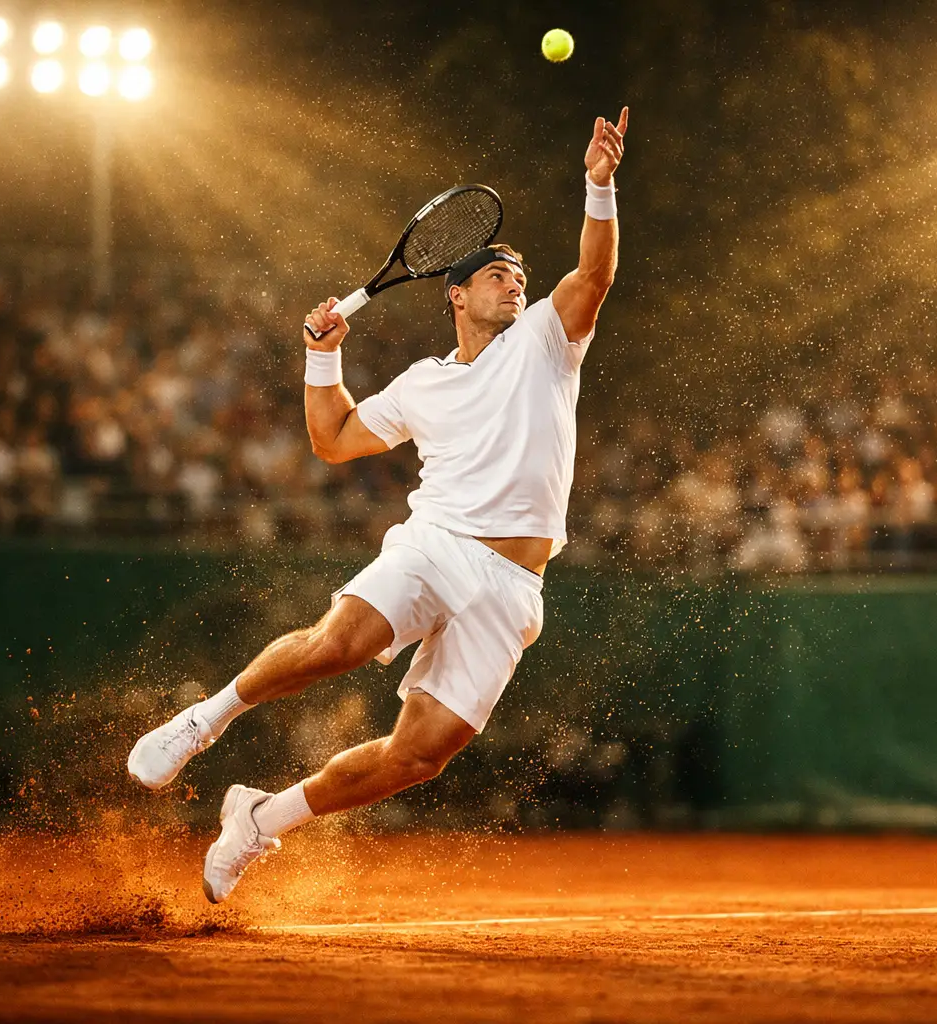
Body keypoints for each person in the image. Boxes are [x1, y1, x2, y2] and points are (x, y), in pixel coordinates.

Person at [126, 107, 629, 903]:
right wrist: (321, 357)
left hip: (514, 587)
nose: (516, 286)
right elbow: (333, 439)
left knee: (418, 756)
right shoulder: (422, 383)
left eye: (521, 280)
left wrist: (599, 186)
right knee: (341, 643)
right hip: (438, 544)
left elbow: (593, 276)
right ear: (456, 295)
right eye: (498, 276)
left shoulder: (545, 340)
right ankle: (205, 719)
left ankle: (259, 817)